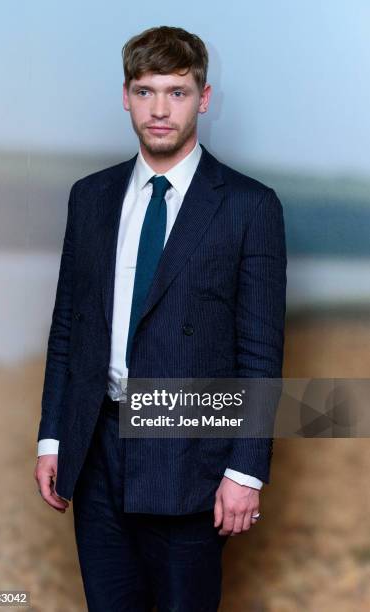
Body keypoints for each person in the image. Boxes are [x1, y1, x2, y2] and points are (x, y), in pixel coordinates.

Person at [34, 25, 287, 612]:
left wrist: (245, 471)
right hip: (95, 448)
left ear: (204, 98)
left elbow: (260, 352)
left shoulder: (250, 206)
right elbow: (69, 328)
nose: (159, 109)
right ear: (125, 96)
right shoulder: (90, 197)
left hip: (191, 455)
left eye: (177, 92)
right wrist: (53, 435)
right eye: (146, 91)